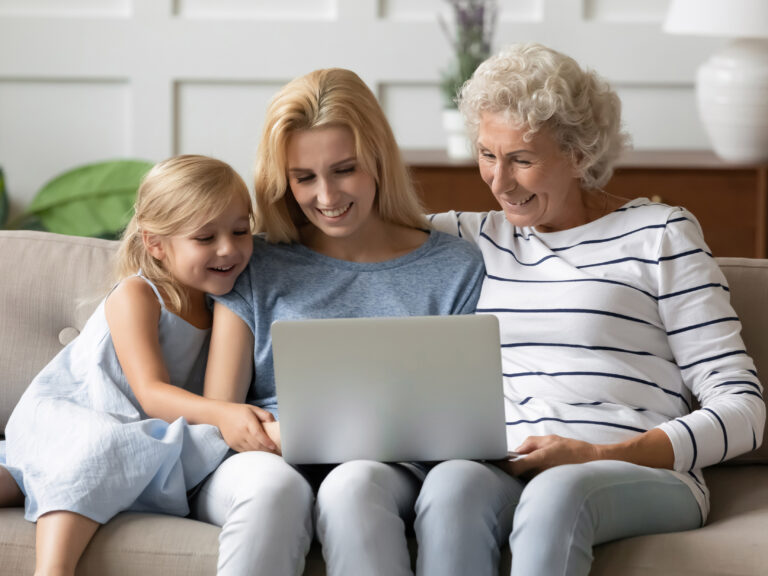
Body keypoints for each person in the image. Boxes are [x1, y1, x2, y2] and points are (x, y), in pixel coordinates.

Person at [420, 42, 766, 576]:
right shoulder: (471, 236)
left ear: (579, 154)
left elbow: (743, 409)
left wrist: (598, 456)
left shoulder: (659, 234)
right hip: (506, 463)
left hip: (631, 470)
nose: (498, 181)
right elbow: (344, 223)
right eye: (487, 154)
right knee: (450, 485)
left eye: (522, 160)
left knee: (559, 492)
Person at [192, 67, 486, 576]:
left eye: (344, 170)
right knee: (273, 491)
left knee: (354, 483)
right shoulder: (255, 264)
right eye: (304, 178)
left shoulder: (455, 267)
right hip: (263, 462)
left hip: (391, 467)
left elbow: (461, 422)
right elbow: (218, 413)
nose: (326, 197)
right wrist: (272, 435)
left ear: (377, 161)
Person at [0, 155, 273, 576]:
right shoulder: (138, 295)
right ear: (156, 244)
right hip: (77, 416)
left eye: (241, 230)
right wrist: (226, 413)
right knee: (98, 448)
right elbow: (151, 392)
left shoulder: (227, 306)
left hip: (141, 431)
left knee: (103, 455)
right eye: (205, 238)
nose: (229, 249)